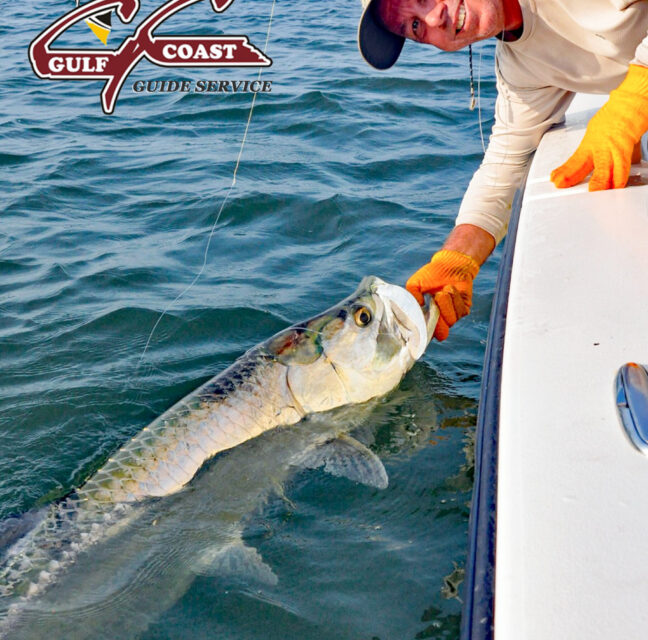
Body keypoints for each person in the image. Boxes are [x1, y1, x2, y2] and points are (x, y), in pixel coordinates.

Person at [357, 0, 648, 341]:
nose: (435, 18)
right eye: (417, 28)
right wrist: (456, 260)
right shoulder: (521, 70)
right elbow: (506, 166)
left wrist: (636, 96)